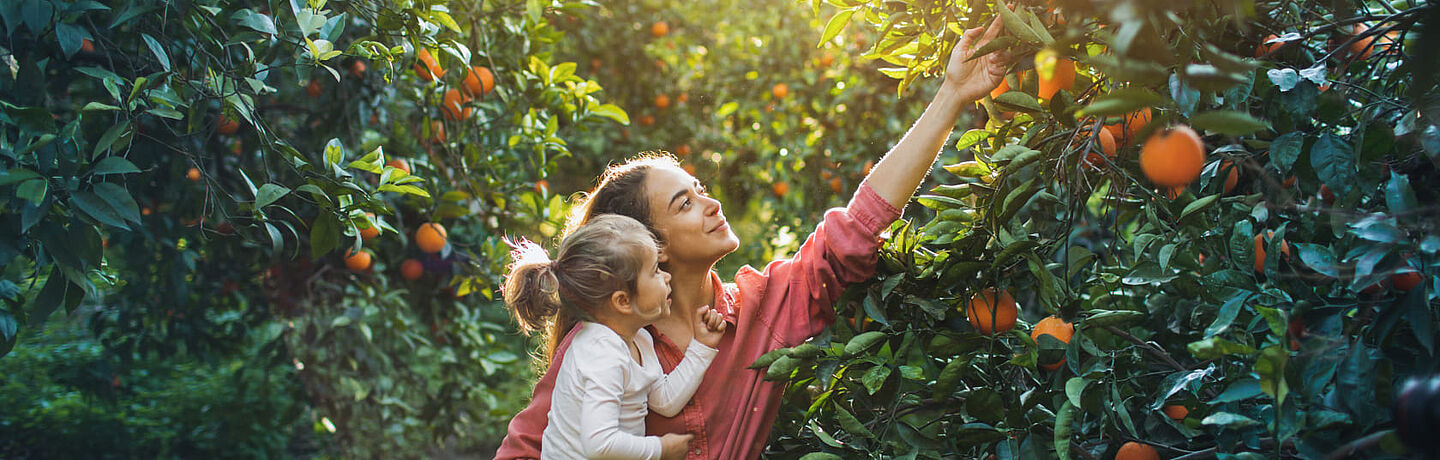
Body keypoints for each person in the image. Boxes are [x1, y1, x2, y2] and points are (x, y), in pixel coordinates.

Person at [496, 17, 1010, 460]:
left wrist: (952, 95)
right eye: (685, 204)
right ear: (656, 247)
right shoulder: (605, 342)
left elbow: (857, 226)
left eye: (699, 189)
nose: (712, 203)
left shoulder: (762, 312)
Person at [502, 214, 729, 459]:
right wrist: (660, 450)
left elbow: (665, 401)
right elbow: (600, 444)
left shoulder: (639, 339)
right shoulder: (601, 353)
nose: (667, 276)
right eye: (655, 272)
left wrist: (701, 348)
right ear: (622, 301)